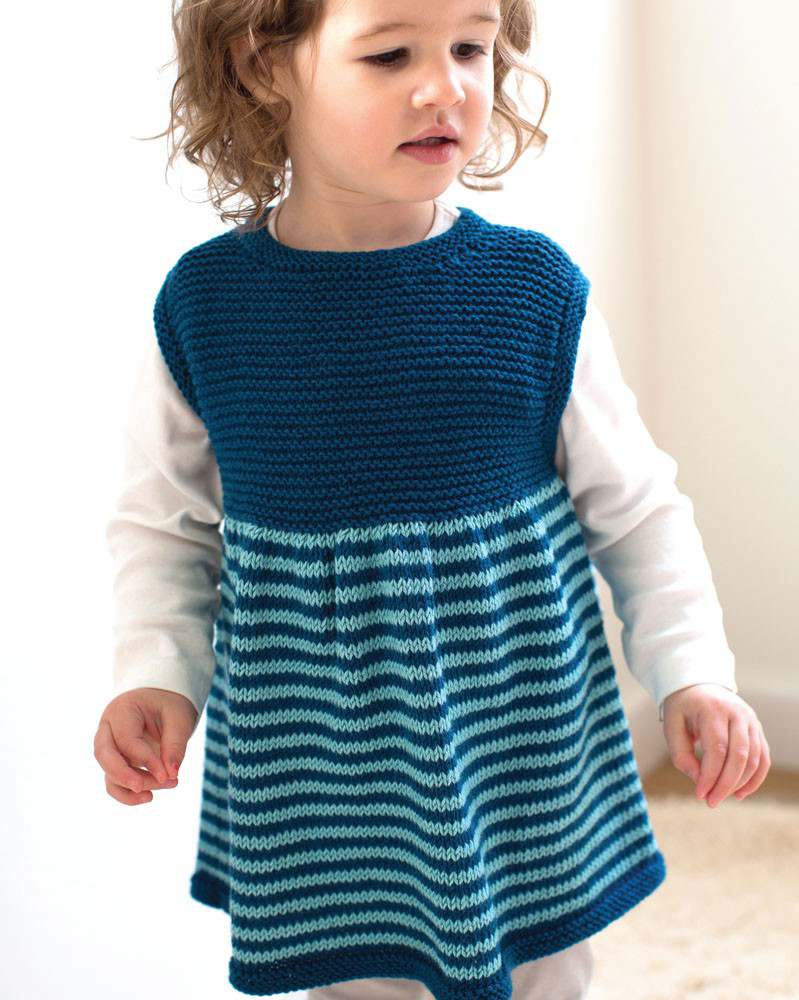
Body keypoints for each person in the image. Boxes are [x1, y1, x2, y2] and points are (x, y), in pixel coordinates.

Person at [94, 1, 771, 998]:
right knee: (357, 972)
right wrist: (156, 675)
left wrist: (691, 671)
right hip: (321, 763)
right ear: (262, 65)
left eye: (469, 47)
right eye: (389, 54)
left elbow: (636, 510)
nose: (445, 85)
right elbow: (165, 527)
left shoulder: (531, 291)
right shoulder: (208, 308)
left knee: (543, 967)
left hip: (518, 740)